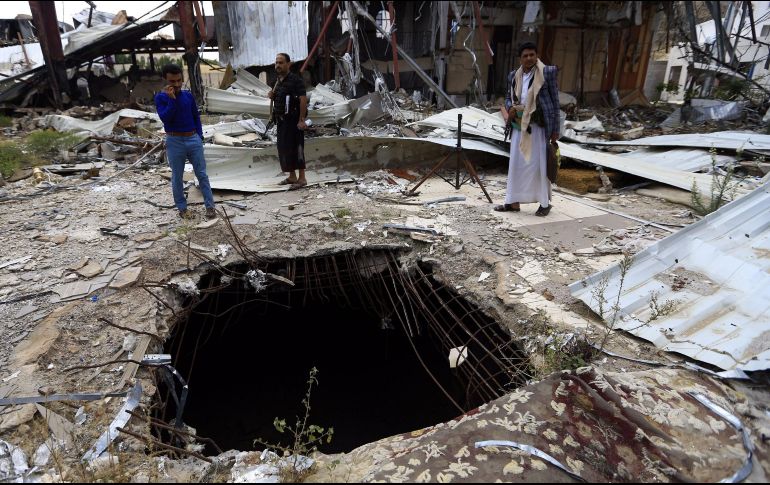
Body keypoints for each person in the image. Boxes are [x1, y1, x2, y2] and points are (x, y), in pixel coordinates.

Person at [495, 42, 560, 217]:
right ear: (520, 59)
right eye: (525, 56)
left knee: (538, 166)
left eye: (532, 54)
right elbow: (508, 98)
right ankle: (512, 202)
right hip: (519, 127)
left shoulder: (547, 72)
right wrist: (510, 107)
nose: (529, 58)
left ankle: (544, 204)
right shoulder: (513, 75)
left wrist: (555, 130)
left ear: (537, 56)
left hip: (538, 128)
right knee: (516, 165)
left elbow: (555, 102)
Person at [154, 63, 216, 220]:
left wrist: (199, 136)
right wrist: (172, 100)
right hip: (174, 140)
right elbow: (166, 118)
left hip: (193, 138)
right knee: (177, 176)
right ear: (165, 80)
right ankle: (182, 208)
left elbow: (196, 117)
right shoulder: (160, 98)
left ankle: (210, 206)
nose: (176, 84)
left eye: (179, 80)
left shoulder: (188, 96)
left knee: (202, 174)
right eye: (172, 81)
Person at [267, 53, 309, 190]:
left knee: (297, 148)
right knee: (285, 149)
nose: (278, 65)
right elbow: (281, 97)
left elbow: (303, 99)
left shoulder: (296, 80)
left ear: (288, 64)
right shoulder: (277, 81)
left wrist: (301, 120)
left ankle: (302, 178)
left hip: (294, 120)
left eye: (281, 62)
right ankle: (292, 176)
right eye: (276, 63)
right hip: (282, 121)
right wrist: (273, 95)